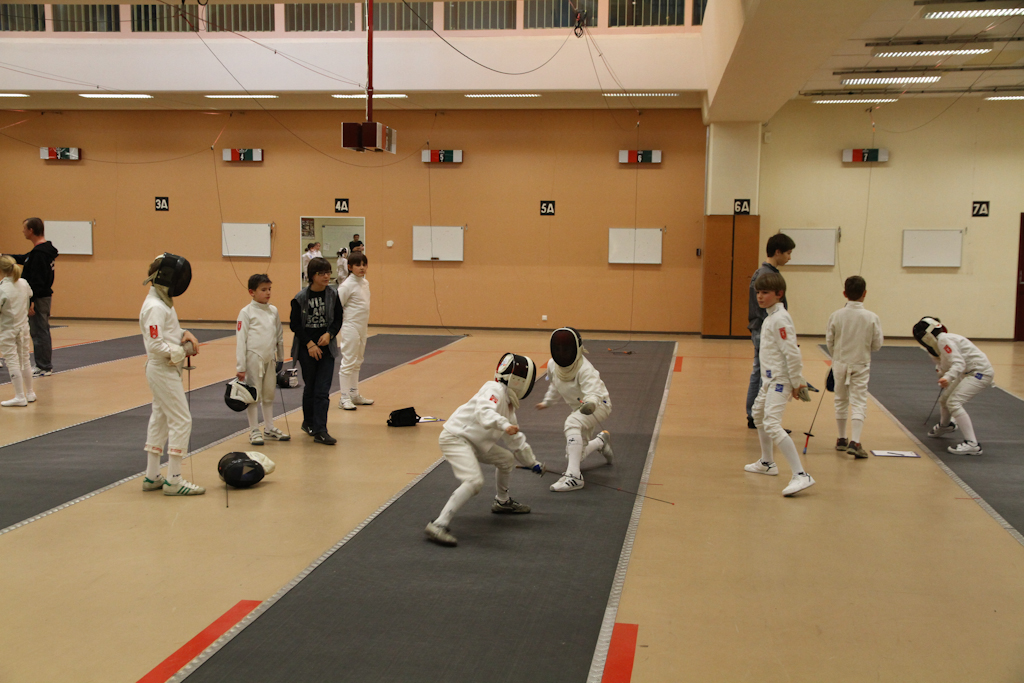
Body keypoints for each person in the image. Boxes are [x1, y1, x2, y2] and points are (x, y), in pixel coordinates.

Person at [425, 353, 545, 547]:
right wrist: (503, 425)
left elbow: (517, 442)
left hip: (474, 442)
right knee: (474, 481)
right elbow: (484, 412)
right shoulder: (493, 389)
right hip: (456, 438)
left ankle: (502, 502)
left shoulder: (509, 408)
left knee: (506, 459)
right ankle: (439, 524)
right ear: (519, 381)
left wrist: (533, 463)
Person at [744, 272, 815, 496]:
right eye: (758, 292)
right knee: (758, 416)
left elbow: (792, 353)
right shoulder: (770, 317)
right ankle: (767, 463)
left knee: (772, 424)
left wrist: (796, 382)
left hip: (780, 380)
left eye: (765, 292)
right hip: (769, 380)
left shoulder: (780, 319)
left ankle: (801, 475)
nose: (760, 296)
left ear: (779, 294)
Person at [139, 253, 205, 496]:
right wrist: (182, 350)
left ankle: (152, 476)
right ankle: (174, 481)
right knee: (181, 420)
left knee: (161, 418)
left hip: (165, 368)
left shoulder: (162, 302)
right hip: (162, 369)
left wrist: (183, 333)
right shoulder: (155, 307)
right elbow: (156, 345)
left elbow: (165, 333)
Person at [535, 327, 613, 492]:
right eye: (558, 349)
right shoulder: (552, 365)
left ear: (576, 349)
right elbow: (555, 384)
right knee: (575, 454)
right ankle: (600, 442)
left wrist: (591, 403)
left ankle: (574, 477)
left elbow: (594, 392)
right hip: (581, 408)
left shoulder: (585, 369)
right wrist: (547, 402)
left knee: (572, 423)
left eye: (566, 349)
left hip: (599, 405)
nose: (562, 352)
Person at [914, 316, 994, 455]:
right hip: (968, 372)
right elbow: (947, 364)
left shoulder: (944, 340)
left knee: (954, 402)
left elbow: (958, 363)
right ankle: (946, 426)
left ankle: (972, 444)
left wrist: (948, 377)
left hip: (979, 373)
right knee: (944, 400)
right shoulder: (942, 341)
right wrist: (943, 374)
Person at [826, 276, 883, 458]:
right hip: (861, 363)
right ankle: (855, 442)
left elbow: (830, 341)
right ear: (864, 293)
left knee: (840, 399)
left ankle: (842, 439)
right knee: (858, 401)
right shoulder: (872, 317)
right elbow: (877, 345)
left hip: (839, 363)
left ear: (845, 293)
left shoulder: (836, 315)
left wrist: (837, 356)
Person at [290, 257, 343, 445]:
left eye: (328, 272)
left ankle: (321, 430)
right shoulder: (300, 298)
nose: (326, 276)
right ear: (312, 276)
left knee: (322, 390)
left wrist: (330, 334)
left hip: (327, 349)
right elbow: (295, 325)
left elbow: (338, 319)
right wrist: (310, 344)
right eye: (322, 273)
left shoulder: (333, 295)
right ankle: (309, 422)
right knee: (311, 388)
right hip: (307, 350)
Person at [746, 233, 795, 428]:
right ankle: (761, 417)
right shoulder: (766, 275)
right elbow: (763, 309)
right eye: (788, 253)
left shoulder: (767, 273)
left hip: (763, 329)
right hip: (763, 330)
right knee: (766, 373)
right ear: (777, 252)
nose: (789, 257)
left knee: (759, 372)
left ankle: (756, 415)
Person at [236, 273, 290, 445]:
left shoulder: (273, 311)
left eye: (269, 289)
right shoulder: (246, 312)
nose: (268, 293)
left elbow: (279, 335)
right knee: (253, 395)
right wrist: (241, 366)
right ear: (251, 292)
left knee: (268, 395)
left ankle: (269, 428)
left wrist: (280, 357)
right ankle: (254, 430)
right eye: (263, 290)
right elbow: (241, 340)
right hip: (253, 359)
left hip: (270, 359)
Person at [13, 217, 58, 377]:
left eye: (24, 228)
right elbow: (25, 259)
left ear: (31, 230)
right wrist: (4, 257)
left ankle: (44, 366)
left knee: (39, 331)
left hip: (38, 298)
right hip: (41, 296)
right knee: (40, 330)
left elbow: (37, 280)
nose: (23, 231)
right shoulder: (41, 251)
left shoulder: (40, 253)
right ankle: (43, 364)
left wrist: (31, 300)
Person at [337, 251, 373, 410]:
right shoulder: (346, 285)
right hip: (350, 326)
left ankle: (354, 393)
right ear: (350, 267)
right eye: (358, 265)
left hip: (362, 327)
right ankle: (344, 397)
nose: (362, 268)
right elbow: (337, 307)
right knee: (348, 361)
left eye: (364, 265)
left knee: (358, 361)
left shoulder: (365, 283)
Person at [0, 256, 35, 406]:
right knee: (25, 360)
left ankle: (20, 396)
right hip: (23, 327)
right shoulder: (23, 283)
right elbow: (30, 295)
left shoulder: (3, 288)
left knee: (12, 361)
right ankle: (30, 392)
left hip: (8, 329)